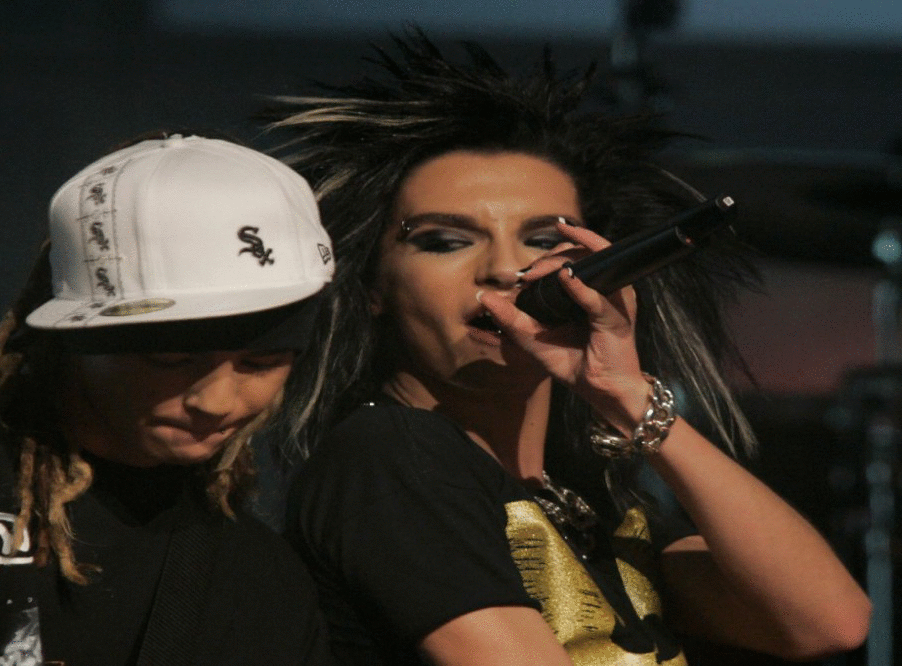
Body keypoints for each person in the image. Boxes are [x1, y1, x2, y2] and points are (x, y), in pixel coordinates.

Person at [266, 32, 872, 666]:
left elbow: (829, 621)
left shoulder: (584, 499)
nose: (504, 269)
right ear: (372, 287)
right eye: (446, 241)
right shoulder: (389, 454)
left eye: (541, 241)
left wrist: (631, 401)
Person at [0, 133, 335, 665]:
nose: (218, 401)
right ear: (76, 338)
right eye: (172, 359)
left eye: (262, 362)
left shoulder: (261, 581)